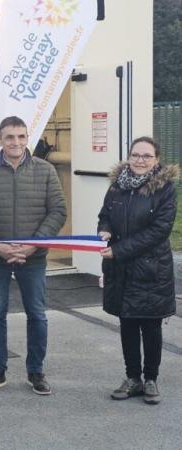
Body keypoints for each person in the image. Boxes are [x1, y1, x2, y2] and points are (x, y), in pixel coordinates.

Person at [0, 116, 66, 396]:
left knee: (37, 314)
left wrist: (32, 246)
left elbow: (57, 211)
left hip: (32, 258)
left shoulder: (45, 171)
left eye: (22, 137)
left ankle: (36, 370)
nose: (16, 142)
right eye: (10, 137)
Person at [97, 136, 178, 405]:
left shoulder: (165, 188)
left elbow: (159, 230)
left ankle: (151, 379)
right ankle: (133, 378)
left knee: (151, 325)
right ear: (128, 157)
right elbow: (104, 214)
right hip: (121, 268)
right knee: (127, 323)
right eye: (135, 155)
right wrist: (104, 230)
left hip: (151, 268)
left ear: (156, 159)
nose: (140, 161)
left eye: (146, 156)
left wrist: (120, 250)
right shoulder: (117, 185)